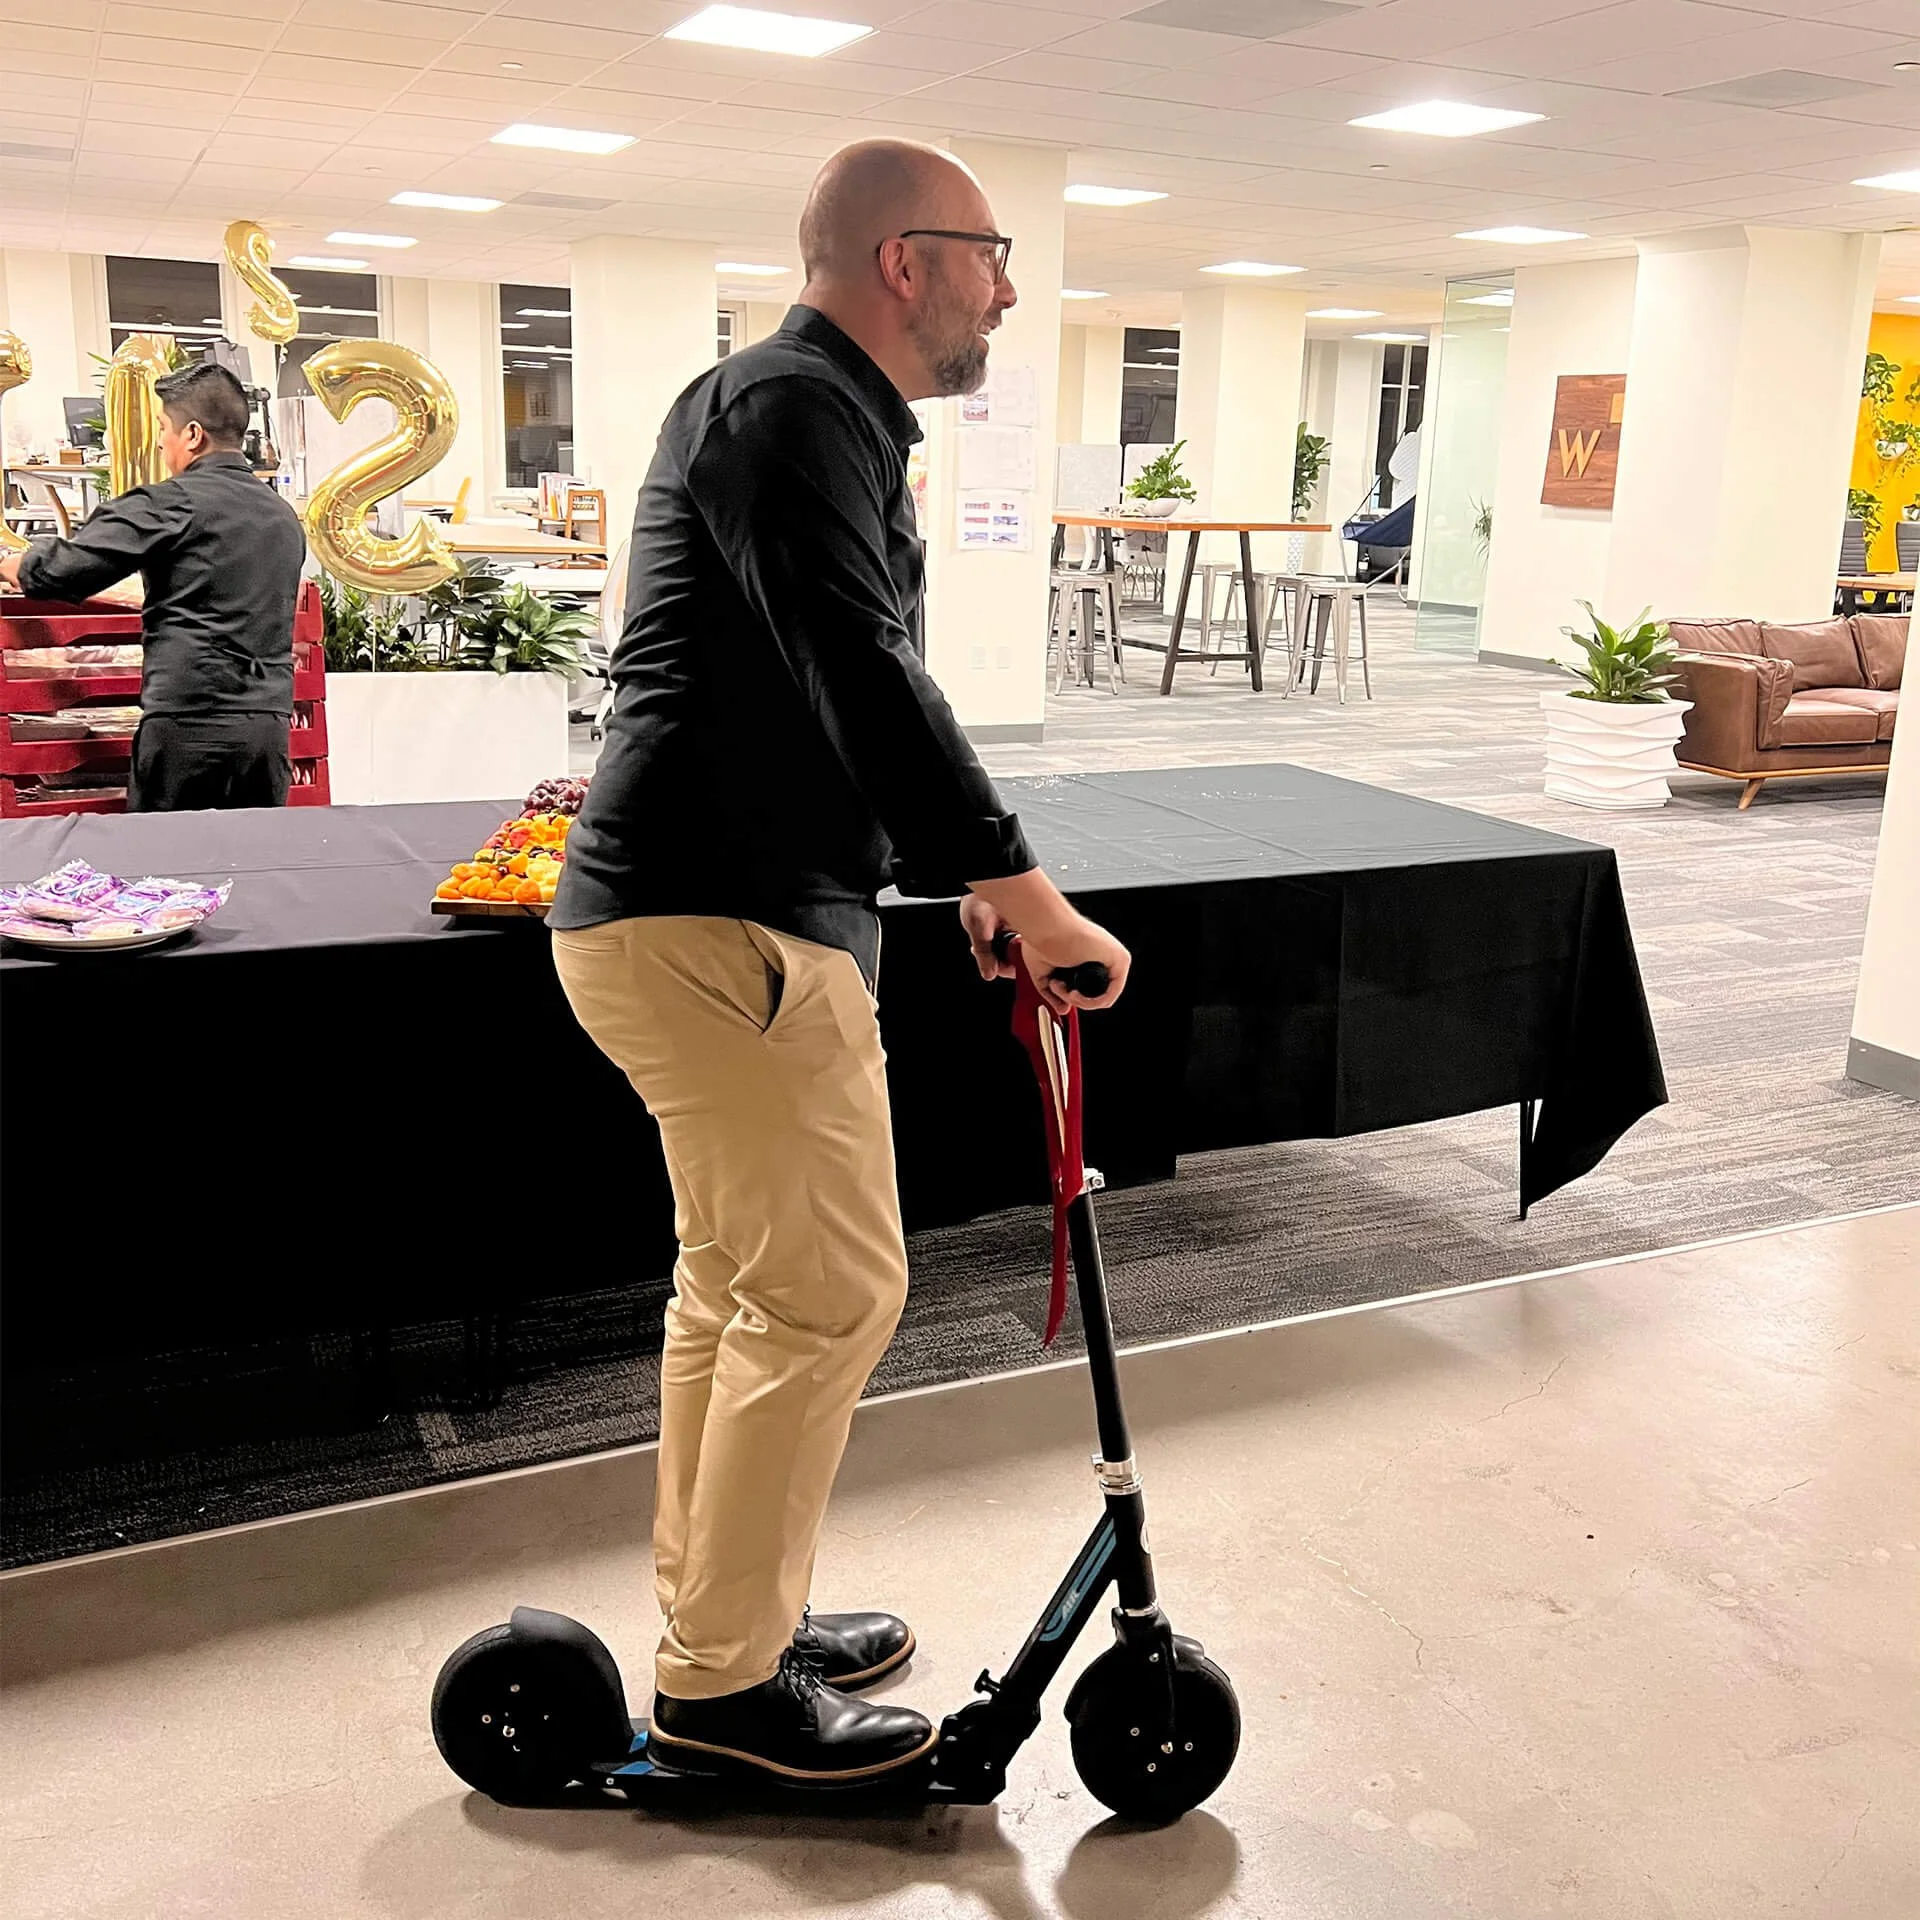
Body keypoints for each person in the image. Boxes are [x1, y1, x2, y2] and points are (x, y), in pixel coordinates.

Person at [549, 137, 1132, 1784]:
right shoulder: (789, 411)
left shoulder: (807, 414)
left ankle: (729, 1626)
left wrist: (923, 871)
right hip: (713, 925)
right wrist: (1024, 892)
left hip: (714, 909)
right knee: (826, 1294)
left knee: (743, 1297)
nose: (1009, 288)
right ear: (903, 258)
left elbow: (792, 695)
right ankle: (724, 1700)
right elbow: (862, 675)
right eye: (992, 254)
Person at [0, 361, 307, 812]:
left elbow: (68, 570)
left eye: (164, 427)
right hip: (266, 731)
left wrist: (14, 562)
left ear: (193, 435)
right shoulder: (282, 517)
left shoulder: (172, 503)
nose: (160, 440)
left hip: (188, 728)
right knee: (253, 865)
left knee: (167, 870)